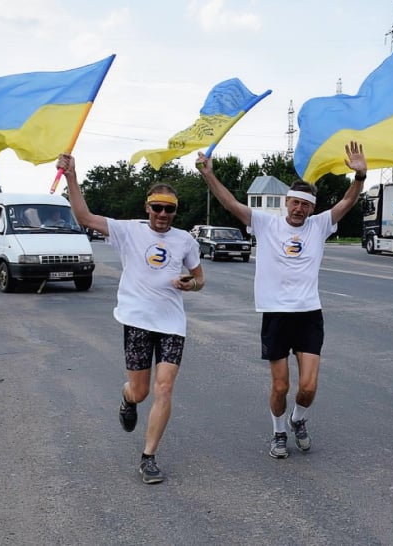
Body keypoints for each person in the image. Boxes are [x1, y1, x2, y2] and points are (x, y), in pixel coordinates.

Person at [195, 141, 367, 459]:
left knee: (309, 386)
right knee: (280, 387)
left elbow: (346, 203)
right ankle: (278, 432)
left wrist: (359, 178)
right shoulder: (266, 223)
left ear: (312, 208)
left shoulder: (319, 227)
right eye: (295, 203)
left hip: (308, 314)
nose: (299, 209)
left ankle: (298, 420)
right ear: (286, 202)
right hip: (275, 314)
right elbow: (230, 202)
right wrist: (209, 175)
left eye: (305, 205)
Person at [56, 153, 204, 483]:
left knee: (164, 388)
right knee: (141, 392)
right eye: (157, 208)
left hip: (172, 325)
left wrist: (190, 284)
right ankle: (127, 399)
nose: (163, 215)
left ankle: (148, 456)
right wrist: (72, 176)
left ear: (175, 211)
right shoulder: (128, 231)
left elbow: (200, 278)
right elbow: (83, 216)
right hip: (137, 321)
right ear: (147, 207)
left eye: (169, 209)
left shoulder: (185, 240)